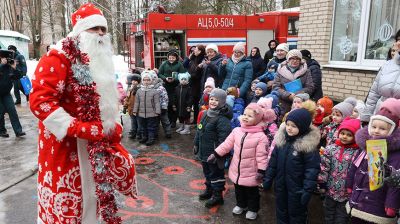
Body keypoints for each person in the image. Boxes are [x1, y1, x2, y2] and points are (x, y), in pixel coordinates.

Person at [29, 4, 137, 223]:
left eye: (103, 29)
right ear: (79, 31)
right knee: (70, 208)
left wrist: (113, 125)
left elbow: (107, 97)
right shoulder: (58, 57)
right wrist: (77, 128)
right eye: (93, 28)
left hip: (97, 148)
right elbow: (40, 101)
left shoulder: (100, 60)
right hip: (65, 149)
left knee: (95, 202)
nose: (99, 33)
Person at [209, 103, 269, 220]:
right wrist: (216, 153)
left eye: (250, 116)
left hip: (251, 171)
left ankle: (252, 209)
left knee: (252, 192)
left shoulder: (261, 137)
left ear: (257, 119)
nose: (246, 117)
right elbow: (227, 144)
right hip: (237, 168)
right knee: (239, 190)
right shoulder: (237, 130)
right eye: (245, 114)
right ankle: (241, 204)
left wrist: (261, 170)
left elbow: (262, 156)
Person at [346, 98, 400, 224]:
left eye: (382, 129)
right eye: (374, 126)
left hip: (377, 206)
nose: (376, 131)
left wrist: (392, 204)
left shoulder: (395, 154)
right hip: (357, 202)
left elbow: (396, 182)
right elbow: (354, 166)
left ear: (391, 131)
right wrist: (349, 184)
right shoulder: (366, 146)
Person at [263, 108, 321, 223]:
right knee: (281, 210)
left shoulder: (307, 147)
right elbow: (273, 162)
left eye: (294, 126)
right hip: (280, 185)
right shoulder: (282, 141)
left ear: (303, 127)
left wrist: (307, 190)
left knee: (296, 213)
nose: (289, 128)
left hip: (297, 189)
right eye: (288, 124)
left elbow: (312, 170)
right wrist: (268, 178)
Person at [194, 88, 232, 208]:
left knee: (216, 174)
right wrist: (196, 144)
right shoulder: (206, 113)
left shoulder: (222, 119)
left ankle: (217, 196)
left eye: (216, 100)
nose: (213, 102)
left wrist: (218, 154)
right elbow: (199, 129)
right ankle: (209, 190)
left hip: (215, 154)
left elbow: (224, 139)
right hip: (204, 151)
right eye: (211, 99)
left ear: (222, 102)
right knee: (207, 172)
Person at [318, 118, 361, 224]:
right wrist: (322, 183)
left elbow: (357, 173)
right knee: (328, 212)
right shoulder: (331, 149)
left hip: (346, 193)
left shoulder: (357, 153)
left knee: (341, 216)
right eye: (342, 133)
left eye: (349, 135)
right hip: (330, 189)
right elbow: (324, 167)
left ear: (355, 136)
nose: (345, 137)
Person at [361, 29, 400, 123]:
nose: (398, 43)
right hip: (380, 118)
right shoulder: (387, 65)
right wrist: (366, 117)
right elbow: (374, 94)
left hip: (397, 121)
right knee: (376, 137)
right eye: (398, 39)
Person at [273, 49, 314, 114]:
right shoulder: (280, 70)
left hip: (300, 104)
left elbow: (310, 87)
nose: (295, 61)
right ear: (288, 60)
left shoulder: (306, 71)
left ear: (300, 60)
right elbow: (276, 87)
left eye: (297, 59)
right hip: (283, 104)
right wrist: (288, 95)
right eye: (292, 58)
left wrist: (297, 95)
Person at [158, 49, 186, 128]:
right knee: (167, 104)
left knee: (174, 104)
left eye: (173, 58)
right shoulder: (164, 64)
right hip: (166, 87)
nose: (171, 59)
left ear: (176, 58)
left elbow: (182, 75)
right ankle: (169, 120)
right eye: (170, 57)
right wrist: (165, 78)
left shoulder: (179, 64)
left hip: (176, 87)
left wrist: (175, 79)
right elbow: (159, 74)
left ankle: (174, 121)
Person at [0, 54, 26, 138]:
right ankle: (2, 131)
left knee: (12, 111)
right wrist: (1, 65)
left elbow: (19, 76)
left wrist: (14, 68)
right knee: (1, 112)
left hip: (6, 93)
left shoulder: (9, 67)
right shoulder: (2, 65)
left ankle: (18, 131)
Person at [133, 71, 161, 146]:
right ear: (142, 81)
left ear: (151, 81)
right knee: (143, 127)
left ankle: (151, 139)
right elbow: (136, 102)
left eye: (148, 80)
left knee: (151, 127)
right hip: (141, 113)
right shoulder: (139, 91)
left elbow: (157, 102)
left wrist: (157, 111)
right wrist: (135, 111)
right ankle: (144, 137)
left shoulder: (154, 91)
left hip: (152, 113)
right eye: (144, 80)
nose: (146, 81)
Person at [184, 44, 205, 124]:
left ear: (200, 51)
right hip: (191, 84)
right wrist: (188, 58)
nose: (194, 51)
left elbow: (197, 75)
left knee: (196, 104)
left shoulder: (202, 60)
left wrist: (189, 76)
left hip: (196, 85)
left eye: (195, 49)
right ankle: (188, 120)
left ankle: (196, 120)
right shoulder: (193, 58)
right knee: (189, 103)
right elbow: (184, 65)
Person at [151, 71, 171, 139]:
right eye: (152, 79)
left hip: (162, 108)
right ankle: (155, 134)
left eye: (154, 79)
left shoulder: (161, 88)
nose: (153, 80)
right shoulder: (149, 88)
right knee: (155, 122)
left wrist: (164, 107)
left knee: (165, 121)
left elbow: (165, 98)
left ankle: (168, 132)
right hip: (153, 109)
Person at [123, 73, 141, 139]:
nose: (133, 81)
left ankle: (139, 134)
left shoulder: (140, 90)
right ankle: (133, 132)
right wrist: (125, 107)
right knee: (133, 122)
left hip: (138, 110)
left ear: (138, 82)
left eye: (135, 80)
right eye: (133, 80)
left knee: (139, 123)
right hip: (131, 109)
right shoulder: (130, 89)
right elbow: (127, 98)